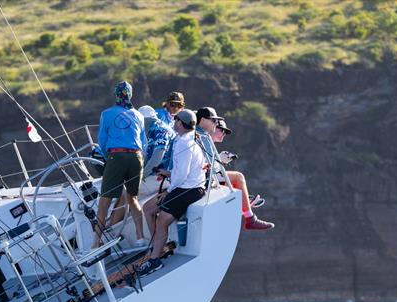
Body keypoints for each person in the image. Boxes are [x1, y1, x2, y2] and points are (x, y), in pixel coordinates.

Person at [140, 109, 207, 274]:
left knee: (162, 220)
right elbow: (182, 171)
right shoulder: (185, 139)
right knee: (148, 209)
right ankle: (157, 245)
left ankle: (155, 260)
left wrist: (168, 191)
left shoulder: (184, 143)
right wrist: (168, 173)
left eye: (176, 120)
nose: (174, 122)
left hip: (190, 189)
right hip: (184, 185)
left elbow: (182, 174)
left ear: (180, 123)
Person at [196, 107, 274, 231]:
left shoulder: (198, 135)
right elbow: (209, 166)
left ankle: (242, 203)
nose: (223, 134)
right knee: (238, 177)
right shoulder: (204, 137)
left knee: (232, 180)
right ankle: (249, 216)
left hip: (201, 176)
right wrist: (220, 161)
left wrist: (219, 161)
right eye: (221, 130)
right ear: (204, 121)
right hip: (200, 178)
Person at [94, 81, 147, 248]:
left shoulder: (107, 114)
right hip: (136, 157)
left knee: (104, 201)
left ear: (116, 94)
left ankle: (96, 242)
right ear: (131, 95)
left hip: (117, 156)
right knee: (133, 198)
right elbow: (144, 143)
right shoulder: (139, 115)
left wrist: (108, 158)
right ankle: (140, 237)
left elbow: (102, 141)